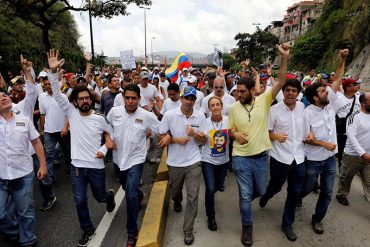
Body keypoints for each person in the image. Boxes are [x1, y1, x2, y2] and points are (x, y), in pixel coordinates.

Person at [47, 49, 116, 247]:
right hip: (77, 167)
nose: (84, 100)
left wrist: (103, 150)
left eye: (87, 98)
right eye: (81, 98)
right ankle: (87, 229)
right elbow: (58, 95)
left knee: (99, 196)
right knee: (79, 201)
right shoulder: (72, 113)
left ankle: (109, 196)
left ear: (91, 100)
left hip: (96, 167)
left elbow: (112, 136)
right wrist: (53, 73)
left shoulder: (99, 119)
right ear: (75, 101)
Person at [228, 44, 290, 247]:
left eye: (242, 91)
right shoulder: (233, 108)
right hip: (240, 157)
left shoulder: (264, 101)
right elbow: (230, 130)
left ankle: (246, 199)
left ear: (251, 91)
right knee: (246, 195)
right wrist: (235, 133)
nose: (238, 94)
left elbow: (281, 81)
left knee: (261, 190)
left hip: (261, 157)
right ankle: (247, 228)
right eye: (237, 91)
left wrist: (284, 58)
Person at [106, 84, 170, 247]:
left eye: (133, 98)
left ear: (139, 99)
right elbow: (106, 127)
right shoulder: (115, 112)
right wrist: (107, 138)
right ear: (123, 98)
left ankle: (131, 233)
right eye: (127, 97)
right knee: (128, 187)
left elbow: (160, 129)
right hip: (118, 159)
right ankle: (140, 195)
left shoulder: (146, 115)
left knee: (131, 195)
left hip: (136, 159)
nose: (130, 101)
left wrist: (167, 137)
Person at [300, 49, 348, 235]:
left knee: (327, 192)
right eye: (322, 91)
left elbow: (337, 79)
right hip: (313, 159)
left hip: (330, 159)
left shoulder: (330, 105)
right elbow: (308, 139)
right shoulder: (307, 113)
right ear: (315, 97)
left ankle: (317, 219)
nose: (327, 91)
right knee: (308, 186)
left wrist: (342, 59)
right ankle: (297, 197)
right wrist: (324, 144)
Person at [0, 55, 47, 247]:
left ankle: (28, 240)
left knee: (25, 211)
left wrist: (27, 70)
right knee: (1, 214)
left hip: (24, 173)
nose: (3, 97)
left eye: (4, 95)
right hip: (2, 176)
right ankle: (14, 233)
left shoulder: (23, 110)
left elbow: (32, 90)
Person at [259, 78, 308, 242]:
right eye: (287, 90)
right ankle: (267, 195)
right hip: (280, 157)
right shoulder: (274, 110)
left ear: (298, 93)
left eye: (294, 91)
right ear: (283, 92)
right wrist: (275, 136)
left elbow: (307, 129)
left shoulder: (302, 107)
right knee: (276, 185)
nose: (290, 93)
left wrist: (311, 135)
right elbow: (266, 132)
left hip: (299, 158)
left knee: (294, 192)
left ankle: (287, 223)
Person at [159, 86, 206, 245]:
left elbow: (204, 141)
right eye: (186, 98)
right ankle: (177, 200)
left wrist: (195, 134)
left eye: (192, 99)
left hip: (194, 161)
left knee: (193, 197)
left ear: (195, 100)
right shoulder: (169, 115)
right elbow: (162, 134)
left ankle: (188, 230)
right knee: (175, 191)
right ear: (181, 98)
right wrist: (174, 140)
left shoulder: (200, 116)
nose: (189, 101)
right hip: (175, 163)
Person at [38, 78, 72, 210]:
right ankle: (50, 177)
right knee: (49, 154)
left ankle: (70, 165)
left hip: (62, 130)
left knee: (67, 150)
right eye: (45, 85)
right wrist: (42, 129)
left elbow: (69, 113)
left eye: (49, 84)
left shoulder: (62, 96)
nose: (48, 86)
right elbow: (42, 114)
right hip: (49, 131)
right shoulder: (42, 97)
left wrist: (65, 127)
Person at [201, 96, 230, 232]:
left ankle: (214, 192)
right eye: (212, 105)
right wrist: (198, 135)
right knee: (211, 188)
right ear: (209, 108)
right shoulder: (205, 122)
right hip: (208, 160)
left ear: (222, 106)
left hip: (223, 161)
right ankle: (210, 216)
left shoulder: (229, 121)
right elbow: (200, 140)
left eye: (218, 104)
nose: (216, 107)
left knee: (218, 185)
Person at [336, 92, 370, 205]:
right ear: (364, 103)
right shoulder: (354, 117)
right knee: (346, 178)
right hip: (353, 155)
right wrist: (362, 153)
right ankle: (341, 194)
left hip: (368, 156)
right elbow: (351, 136)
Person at [334, 78, 361, 169]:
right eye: (355, 84)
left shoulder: (358, 98)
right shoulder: (339, 98)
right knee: (340, 150)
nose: (358, 85)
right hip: (341, 132)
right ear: (348, 88)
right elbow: (332, 114)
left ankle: (344, 168)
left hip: (355, 130)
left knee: (349, 151)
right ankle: (341, 169)